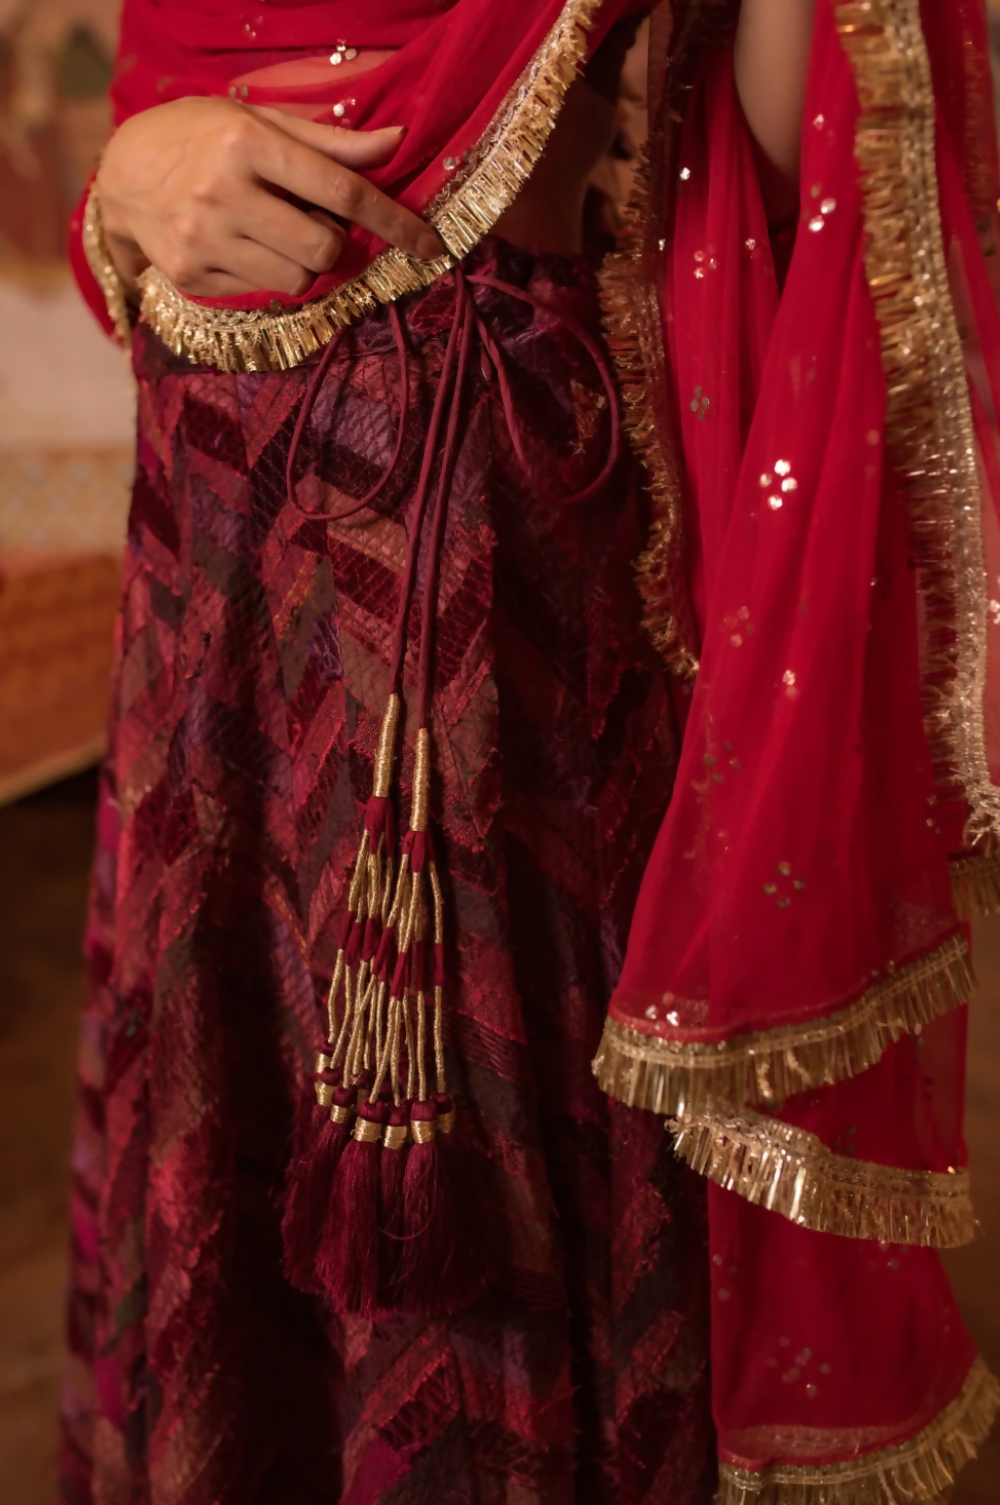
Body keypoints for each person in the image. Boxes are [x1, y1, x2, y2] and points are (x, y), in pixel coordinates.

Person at [61, 1, 1000, 1503]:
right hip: (213, 523)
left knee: (490, 1203)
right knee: (232, 1114)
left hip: (495, 537)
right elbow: (168, 61)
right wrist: (118, 188)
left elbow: (774, 129)